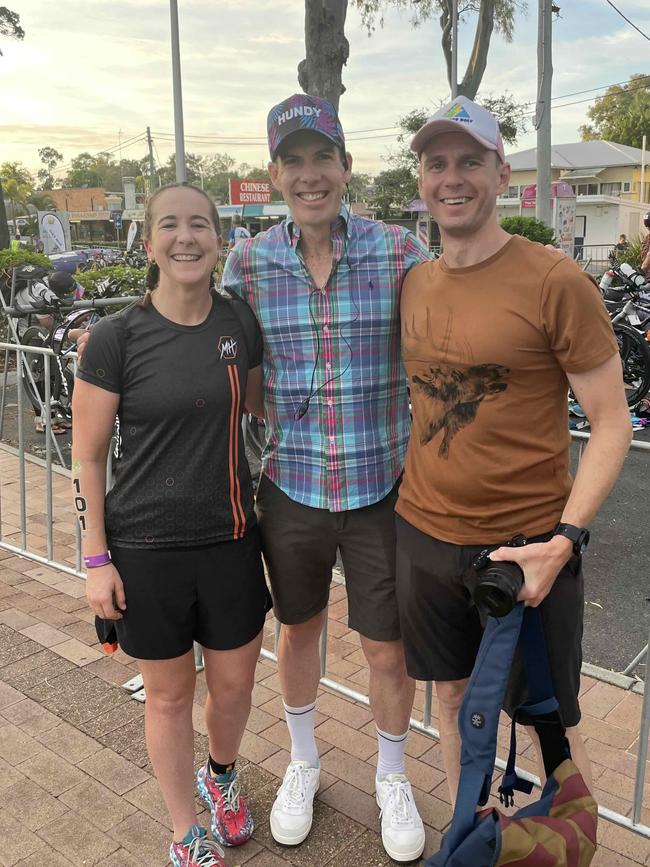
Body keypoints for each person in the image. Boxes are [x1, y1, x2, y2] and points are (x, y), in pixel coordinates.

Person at [394, 96, 632, 807]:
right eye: (437, 163)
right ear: (422, 181)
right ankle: (475, 830)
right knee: (454, 696)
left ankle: (571, 845)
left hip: (527, 547)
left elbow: (612, 422)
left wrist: (563, 540)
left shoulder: (555, 280)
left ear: (502, 173)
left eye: (470, 160)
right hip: (425, 534)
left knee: (549, 722)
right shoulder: (415, 282)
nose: (452, 177)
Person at [223, 93, 429, 862]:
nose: (311, 175)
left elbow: (450, 336)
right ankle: (304, 761)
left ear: (346, 166)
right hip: (292, 486)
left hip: (382, 486)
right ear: (275, 173)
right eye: (295, 160)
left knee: (387, 647)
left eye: (324, 158)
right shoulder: (249, 260)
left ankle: (392, 773)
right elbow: (220, 351)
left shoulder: (400, 251)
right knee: (298, 627)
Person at [71, 183, 272, 867]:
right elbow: (87, 455)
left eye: (199, 226)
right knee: (168, 696)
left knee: (236, 688)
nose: (185, 238)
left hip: (232, 541)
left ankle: (220, 775)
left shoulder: (240, 323)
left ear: (220, 240)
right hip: (147, 550)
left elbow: (264, 411)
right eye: (168, 225)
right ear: (149, 241)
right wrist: (95, 559)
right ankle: (186, 832)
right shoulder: (113, 338)